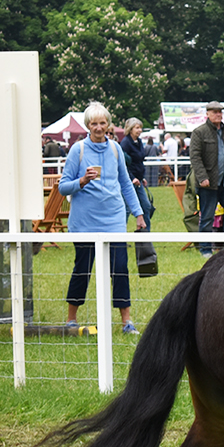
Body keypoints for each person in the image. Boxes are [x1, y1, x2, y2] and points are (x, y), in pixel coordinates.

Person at [59, 102, 146, 335]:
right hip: (85, 222)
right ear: (88, 125)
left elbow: (126, 184)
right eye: (94, 123)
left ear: (109, 124)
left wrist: (138, 213)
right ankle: (71, 319)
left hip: (114, 220)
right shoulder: (78, 150)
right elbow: (62, 188)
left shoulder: (116, 149)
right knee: (82, 269)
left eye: (102, 123)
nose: (98, 127)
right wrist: (82, 182)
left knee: (119, 269)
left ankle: (126, 322)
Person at [189, 101, 224, 255]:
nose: (218, 114)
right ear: (207, 114)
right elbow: (195, 157)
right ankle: (205, 249)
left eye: (220, 112)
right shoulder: (199, 132)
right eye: (214, 112)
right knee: (207, 217)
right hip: (209, 183)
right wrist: (202, 177)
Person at [120, 117, 154, 230]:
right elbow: (123, 165)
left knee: (146, 206)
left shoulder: (139, 142)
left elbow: (139, 161)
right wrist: (132, 178)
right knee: (126, 209)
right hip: (128, 181)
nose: (140, 130)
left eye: (141, 128)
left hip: (138, 181)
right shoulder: (125, 143)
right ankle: (119, 236)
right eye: (137, 128)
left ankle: (145, 236)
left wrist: (141, 177)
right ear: (130, 129)